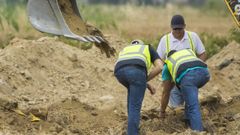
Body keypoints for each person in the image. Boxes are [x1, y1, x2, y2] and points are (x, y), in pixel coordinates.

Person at [156, 14, 207, 114]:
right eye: (175, 29)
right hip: (174, 80)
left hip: (190, 77)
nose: (178, 31)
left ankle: (190, 123)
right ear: (171, 27)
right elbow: (159, 59)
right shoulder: (165, 40)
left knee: (191, 105)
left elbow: (202, 53)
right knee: (177, 110)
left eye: (180, 28)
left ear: (184, 26)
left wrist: (197, 67)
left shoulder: (193, 37)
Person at [114, 39, 163, 135]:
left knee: (132, 97)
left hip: (119, 72)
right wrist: (145, 80)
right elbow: (160, 67)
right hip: (136, 71)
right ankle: (132, 132)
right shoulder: (147, 47)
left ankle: (130, 127)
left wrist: (144, 83)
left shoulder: (125, 49)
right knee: (135, 106)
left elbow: (129, 71)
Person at [162, 49, 210, 131]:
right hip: (205, 73)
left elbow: (166, 92)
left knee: (193, 106)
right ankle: (189, 121)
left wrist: (162, 111)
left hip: (189, 77)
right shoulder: (187, 53)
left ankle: (198, 131)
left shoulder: (167, 63)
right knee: (189, 96)